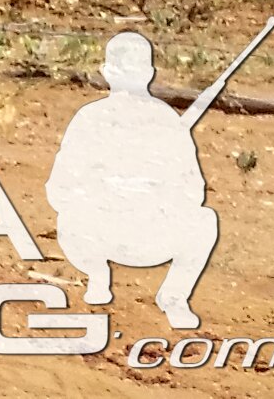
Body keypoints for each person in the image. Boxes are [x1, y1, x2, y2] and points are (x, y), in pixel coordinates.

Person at [42, 29, 220, 334]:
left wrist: (145, 195)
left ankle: (152, 291)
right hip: (122, 231)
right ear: (149, 74)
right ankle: (159, 291)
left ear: (107, 73)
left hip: (126, 235)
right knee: (206, 220)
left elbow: (59, 188)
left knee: (204, 220)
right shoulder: (153, 120)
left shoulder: (96, 117)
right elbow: (194, 192)